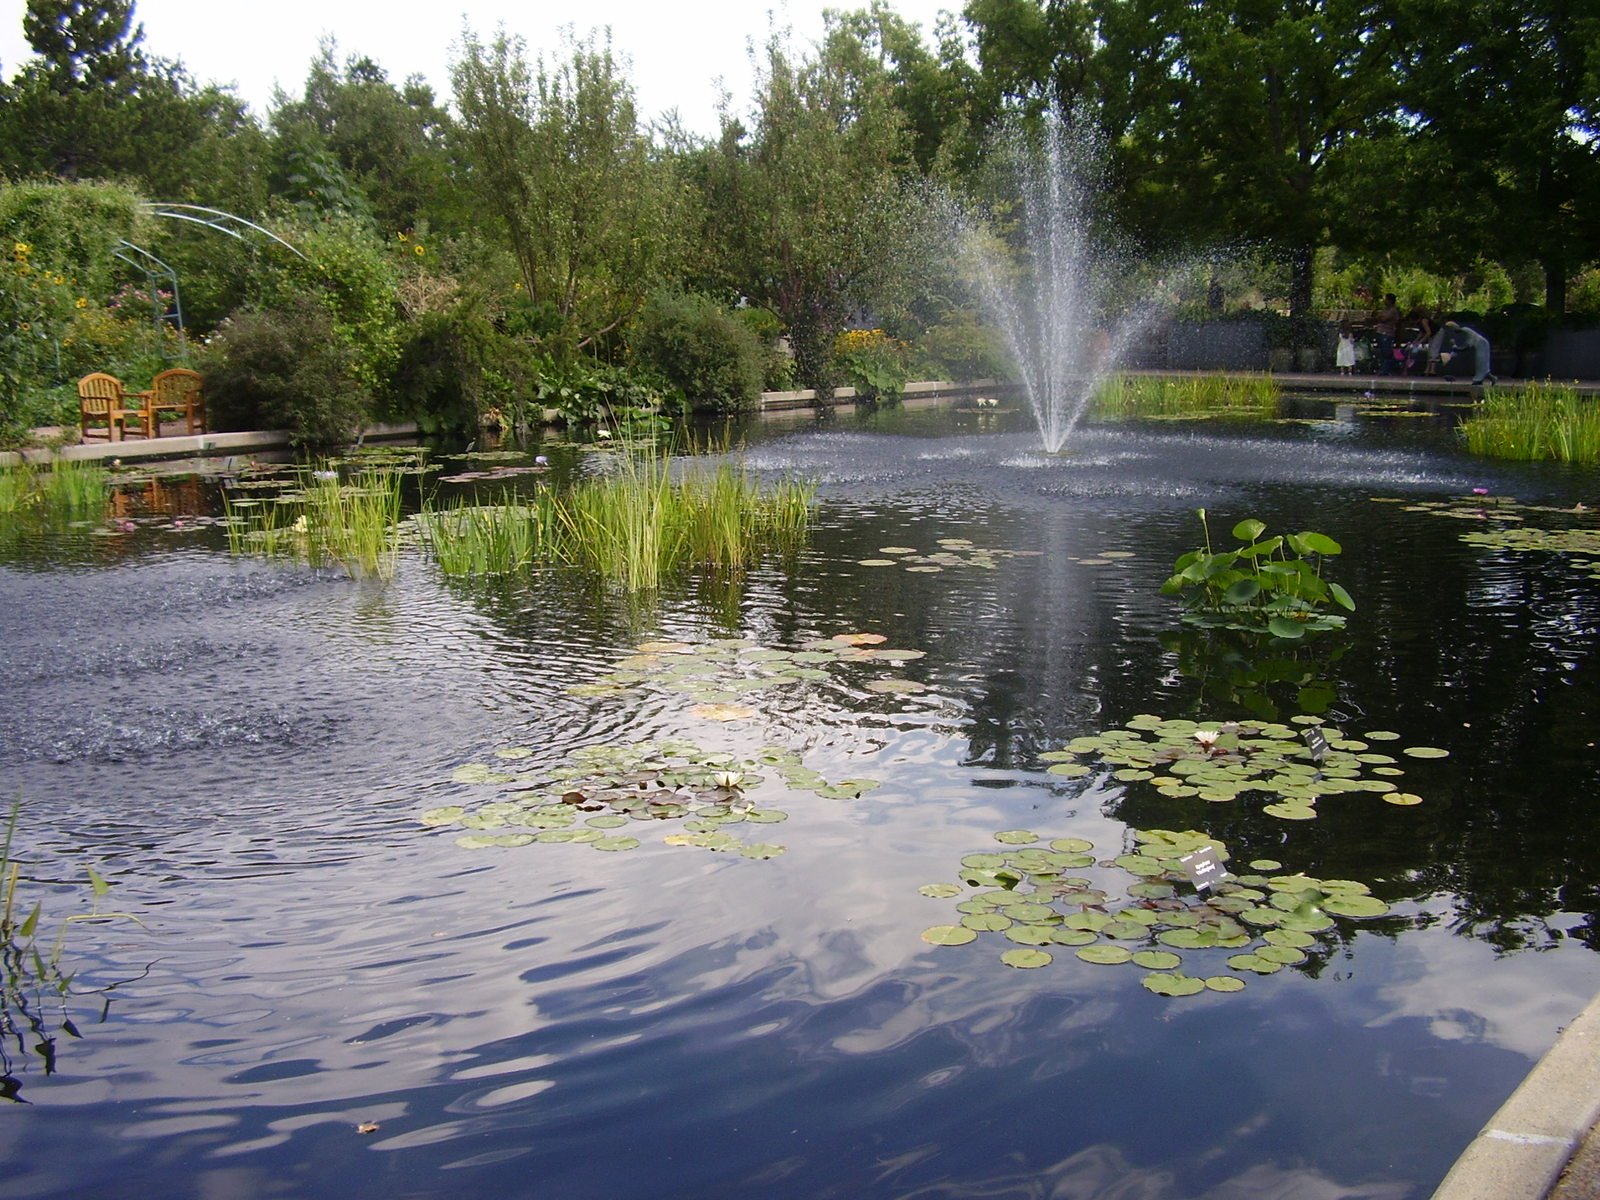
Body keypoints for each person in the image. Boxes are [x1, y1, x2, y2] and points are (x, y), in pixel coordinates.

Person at [1373, 293, 1401, 375]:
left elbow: (1384, 319)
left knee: (1387, 352)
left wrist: (1379, 317)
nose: (1384, 301)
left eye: (1386, 299)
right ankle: (1384, 369)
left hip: (1387, 333)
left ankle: (1387, 370)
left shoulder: (1393, 311)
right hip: (1380, 332)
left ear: (1390, 301)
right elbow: (1378, 317)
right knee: (1382, 352)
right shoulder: (1385, 309)